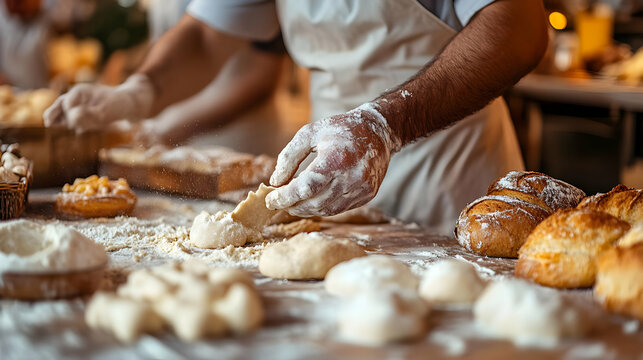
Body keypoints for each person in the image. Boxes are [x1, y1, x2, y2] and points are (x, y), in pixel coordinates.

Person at [44, 0, 548, 234]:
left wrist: (383, 124)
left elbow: (519, 26)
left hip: (447, 175)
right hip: (326, 182)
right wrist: (139, 90)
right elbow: (206, 34)